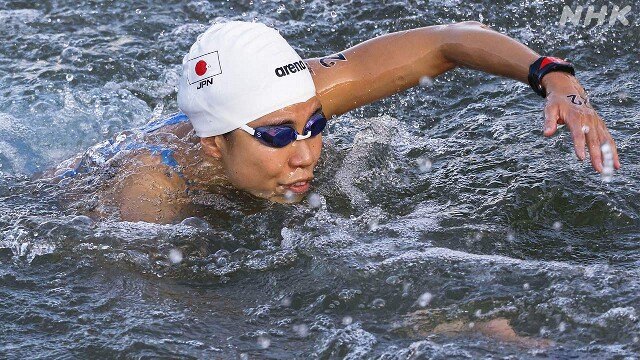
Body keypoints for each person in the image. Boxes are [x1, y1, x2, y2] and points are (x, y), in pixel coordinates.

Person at [49, 20, 620, 223]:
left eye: (314, 124)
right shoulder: (144, 196)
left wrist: (556, 78)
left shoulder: (289, 98)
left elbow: (446, 42)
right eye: (275, 137)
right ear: (213, 142)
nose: (304, 154)